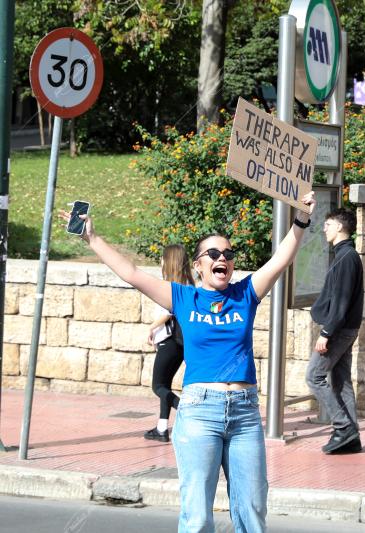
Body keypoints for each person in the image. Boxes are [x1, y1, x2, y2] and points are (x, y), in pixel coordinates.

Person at [60, 191, 316, 533]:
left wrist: (301, 219)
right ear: (198, 265)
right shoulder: (183, 297)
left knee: (253, 509)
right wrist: (92, 237)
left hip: (244, 413)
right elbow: (132, 273)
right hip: (200, 412)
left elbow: (280, 260)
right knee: (197, 516)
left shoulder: (245, 294)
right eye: (213, 254)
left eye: (228, 254)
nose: (222, 258)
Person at [305, 208, 364, 454]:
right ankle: (352, 438)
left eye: (328, 224)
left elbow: (341, 300)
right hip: (345, 328)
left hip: (339, 330)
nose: (324, 229)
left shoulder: (346, 257)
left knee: (314, 376)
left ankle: (343, 426)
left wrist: (327, 333)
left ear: (340, 227)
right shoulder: (345, 254)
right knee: (341, 381)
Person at [144, 244, 193, 443]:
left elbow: (168, 312)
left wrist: (151, 327)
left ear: (170, 261)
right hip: (181, 344)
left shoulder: (170, 288)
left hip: (169, 341)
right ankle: (162, 428)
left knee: (158, 387)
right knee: (165, 385)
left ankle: (186, 412)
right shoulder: (189, 286)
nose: (161, 261)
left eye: (163, 257)